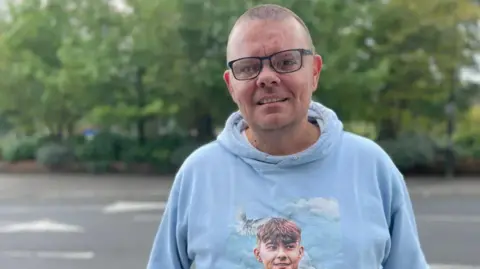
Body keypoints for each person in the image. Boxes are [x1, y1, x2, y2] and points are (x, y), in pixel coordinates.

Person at [146, 4, 429, 269]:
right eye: (247, 67)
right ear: (231, 85)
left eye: (286, 61)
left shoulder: (371, 167)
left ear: (315, 72)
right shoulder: (199, 174)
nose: (266, 77)